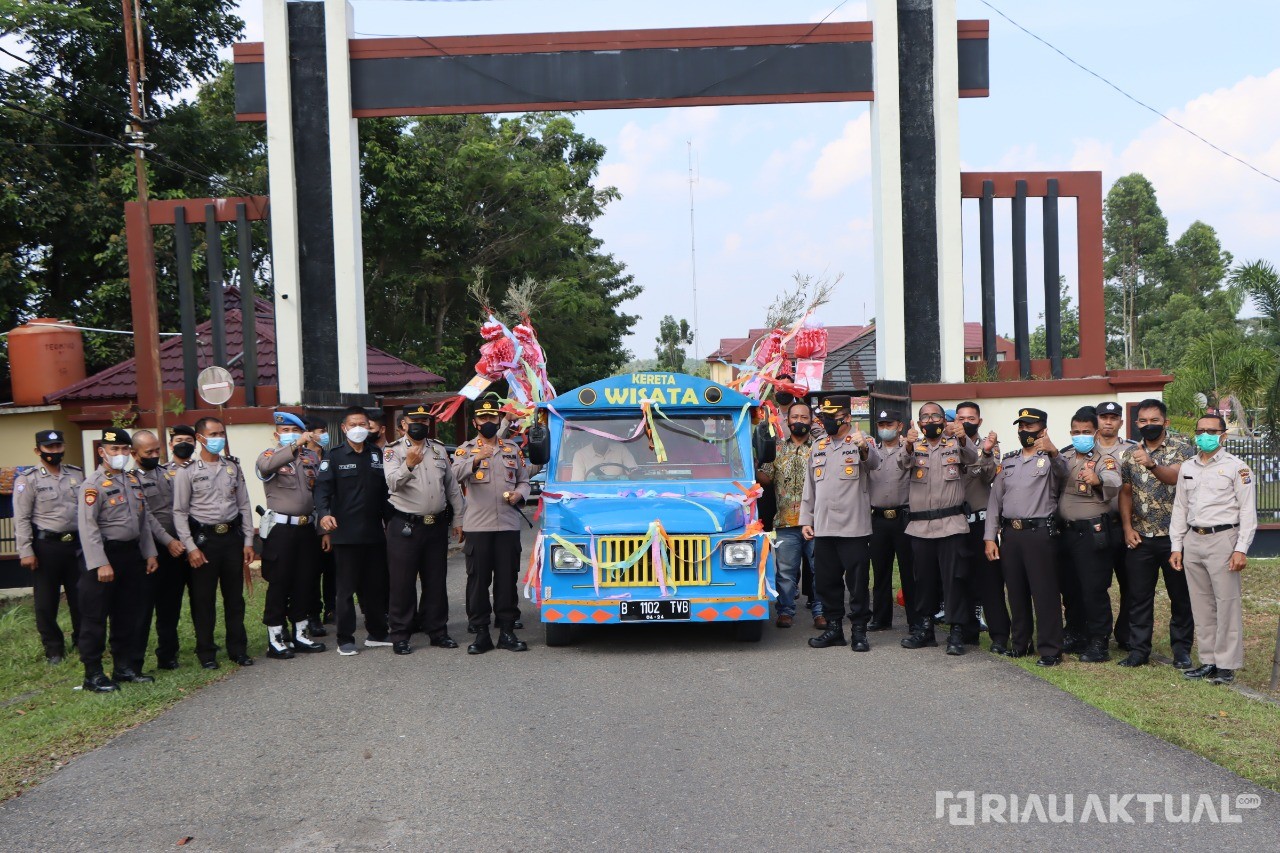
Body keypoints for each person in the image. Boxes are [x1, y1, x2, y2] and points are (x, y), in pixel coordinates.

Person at [1170, 414, 1257, 686]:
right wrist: (1177, 545)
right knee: (1201, 604)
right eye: (1200, 431)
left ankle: (1226, 665)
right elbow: (1180, 509)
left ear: (1223, 435)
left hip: (1224, 539)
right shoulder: (1187, 467)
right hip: (1194, 540)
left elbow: (1247, 511)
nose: (1204, 435)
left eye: (1211, 431)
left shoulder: (1237, 468)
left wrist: (1241, 548)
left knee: (1226, 604)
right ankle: (1208, 661)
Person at [899, 402, 986, 654]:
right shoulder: (914, 445)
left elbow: (972, 459)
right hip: (921, 526)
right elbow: (902, 466)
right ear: (919, 422)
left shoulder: (954, 443)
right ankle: (925, 629)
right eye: (924, 417)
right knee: (923, 580)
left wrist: (962, 438)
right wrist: (907, 444)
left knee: (954, 580)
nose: (930, 420)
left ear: (943, 419)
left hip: (951, 524)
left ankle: (957, 631)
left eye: (934, 415)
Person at [76, 429, 158, 692]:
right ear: (102, 452)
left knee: (127, 614)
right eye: (115, 450)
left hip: (130, 556)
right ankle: (93, 674)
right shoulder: (93, 485)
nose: (120, 455)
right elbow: (88, 527)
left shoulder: (133, 481)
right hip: (104, 556)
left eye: (125, 450)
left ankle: (123, 668)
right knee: (95, 617)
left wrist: (149, 552)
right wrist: (101, 562)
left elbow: (143, 523)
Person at [984, 407, 1067, 667]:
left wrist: (1052, 450)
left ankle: (1050, 649)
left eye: (1029, 426)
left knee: (1044, 593)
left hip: (1039, 533)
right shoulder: (1008, 461)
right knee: (1016, 592)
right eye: (1021, 426)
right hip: (1011, 535)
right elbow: (995, 502)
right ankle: (1021, 643)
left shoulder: (1053, 459)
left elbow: (1065, 473)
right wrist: (989, 537)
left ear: (1042, 429)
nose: (1024, 431)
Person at [1116, 399, 1195, 669]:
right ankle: (1138, 651)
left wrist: (1150, 464)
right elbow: (1126, 492)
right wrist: (1127, 528)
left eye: (1155, 421)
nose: (1148, 425)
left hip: (1176, 540)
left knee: (1181, 597)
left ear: (1166, 422)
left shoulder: (1183, 448)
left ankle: (1181, 650)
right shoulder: (1129, 454)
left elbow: (1174, 477)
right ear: (1136, 423)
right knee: (1139, 598)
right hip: (1141, 538)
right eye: (1143, 421)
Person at [173, 417, 255, 669]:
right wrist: (191, 547)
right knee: (204, 600)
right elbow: (179, 512)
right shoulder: (187, 472)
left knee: (234, 598)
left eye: (222, 433)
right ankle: (206, 653)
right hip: (204, 542)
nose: (219, 438)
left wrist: (248, 541)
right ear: (200, 438)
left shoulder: (232, 467)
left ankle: (238, 649)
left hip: (232, 539)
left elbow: (244, 504)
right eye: (214, 434)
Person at [452, 395, 532, 654]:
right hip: (478, 527)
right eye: (483, 417)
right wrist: (476, 459)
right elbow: (454, 476)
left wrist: (520, 494)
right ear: (475, 422)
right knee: (478, 581)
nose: (488, 421)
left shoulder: (511, 448)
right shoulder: (465, 450)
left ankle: (507, 632)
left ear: (499, 419)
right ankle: (481, 633)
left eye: (492, 417)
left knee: (507, 580)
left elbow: (524, 479)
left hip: (507, 525)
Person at [801, 395, 881, 651]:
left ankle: (859, 631)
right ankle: (834, 629)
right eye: (823, 416)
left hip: (853, 528)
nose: (825, 421)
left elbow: (874, 464)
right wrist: (806, 519)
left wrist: (864, 448)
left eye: (830, 417)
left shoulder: (861, 441)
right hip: (824, 527)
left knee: (857, 584)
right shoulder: (818, 446)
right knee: (826, 581)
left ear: (846, 417)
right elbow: (809, 487)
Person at [384, 402, 465, 655]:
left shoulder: (439, 450)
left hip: (435, 526)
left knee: (435, 580)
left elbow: (452, 487)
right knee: (402, 583)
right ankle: (400, 635)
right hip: (405, 526)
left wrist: (460, 519)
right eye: (415, 421)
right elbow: (392, 483)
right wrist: (408, 465)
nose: (421, 426)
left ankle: (438, 631)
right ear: (404, 424)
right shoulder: (393, 451)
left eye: (425, 421)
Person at [314, 407, 392, 656]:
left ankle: (377, 632)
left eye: (364, 424)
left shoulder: (376, 455)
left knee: (375, 586)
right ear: (345, 428)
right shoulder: (334, 456)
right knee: (345, 589)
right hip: (345, 534)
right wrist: (324, 514)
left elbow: (384, 494)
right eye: (353, 424)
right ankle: (345, 638)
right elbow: (322, 490)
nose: (359, 428)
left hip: (374, 533)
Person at [256, 412, 327, 660]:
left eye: (295, 431)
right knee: (279, 582)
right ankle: (275, 638)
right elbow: (264, 468)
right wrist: (294, 445)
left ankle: (300, 633)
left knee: (304, 582)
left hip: (307, 528)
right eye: (285, 431)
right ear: (277, 435)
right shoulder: (269, 456)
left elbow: (320, 494)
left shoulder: (310, 458)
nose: (290, 435)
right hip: (281, 530)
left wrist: (322, 530)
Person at [1056, 407, 1122, 663]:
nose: (1080, 435)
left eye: (1085, 431)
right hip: (1066, 532)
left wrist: (1097, 480)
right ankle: (1074, 632)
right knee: (1070, 587)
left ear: (1095, 432)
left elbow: (1115, 482)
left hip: (1093, 532)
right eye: (1076, 431)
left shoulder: (1105, 458)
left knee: (1093, 589)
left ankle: (1099, 641)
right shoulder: (1064, 456)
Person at [13, 429, 83, 665]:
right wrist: (26, 551)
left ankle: (82, 640)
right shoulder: (28, 479)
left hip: (75, 545)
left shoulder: (77, 474)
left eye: (58, 447)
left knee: (80, 597)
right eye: (49, 448)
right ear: (38, 450)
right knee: (46, 602)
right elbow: (21, 518)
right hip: (46, 547)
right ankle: (54, 649)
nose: (54, 451)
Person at [756, 400, 825, 629]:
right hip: (785, 521)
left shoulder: (821, 448)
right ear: (787, 421)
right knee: (786, 572)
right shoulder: (777, 448)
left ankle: (820, 612)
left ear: (812, 421)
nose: (798, 421)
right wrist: (751, 465)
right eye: (794, 417)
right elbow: (766, 479)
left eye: (804, 417)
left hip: (816, 521)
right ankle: (785, 611)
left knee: (819, 570)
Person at [130, 428, 190, 673]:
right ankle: (135, 662)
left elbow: (179, 510)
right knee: (142, 609)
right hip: (150, 551)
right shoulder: (131, 480)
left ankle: (168, 654)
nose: (155, 455)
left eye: (157, 450)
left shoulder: (169, 474)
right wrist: (168, 541)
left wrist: (179, 540)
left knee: (170, 606)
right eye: (149, 452)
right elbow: (147, 517)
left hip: (174, 550)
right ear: (135, 454)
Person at [954, 402, 1007, 653]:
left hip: (982, 522)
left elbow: (989, 477)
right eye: (961, 417)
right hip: (955, 522)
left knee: (990, 581)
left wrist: (985, 453)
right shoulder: (947, 444)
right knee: (961, 578)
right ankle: (968, 631)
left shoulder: (990, 447)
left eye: (971, 417)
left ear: (979, 421)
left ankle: (999, 635)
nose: (966, 421)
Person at [867, 408, 915, 633]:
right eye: (881, 425)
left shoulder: (908, 449)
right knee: (880, 571)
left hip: (903, 517)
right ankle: (881, 618)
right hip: (878, 519)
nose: (885, 429)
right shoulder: (871, 453)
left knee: (909, 572)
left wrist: (910, 445)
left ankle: (915, 620)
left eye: (889, 424)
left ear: (900, 426)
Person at [1094, 401, 1137, 651]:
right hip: (1097, 526)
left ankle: (1126, 633)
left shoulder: (1132, 450)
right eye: (1103, 417)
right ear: (1097, 420)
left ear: (1121, 421)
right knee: (1098, 584)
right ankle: (1099, 632)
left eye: (1113, 417)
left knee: (1131, 583)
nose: (1108, 422)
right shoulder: (1086, 451)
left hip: (1126, 526)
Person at [303, 415, 335, 634]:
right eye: (319, 430)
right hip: (308, 523)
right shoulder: (301, 458)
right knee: (311, 571)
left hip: (331, 521)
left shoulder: (331, 456)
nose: (323, 434)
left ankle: (332, 609)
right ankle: (313, 614)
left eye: (325, 430)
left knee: (332, 568)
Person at [571, 424, 637, 481]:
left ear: (609, 436)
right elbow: (578, 483)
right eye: (598, 434)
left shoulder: (621, 449)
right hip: (591, 493)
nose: (601, 437)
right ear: (592, 436)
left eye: (604, 434)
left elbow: (633, 473)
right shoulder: (580, 455)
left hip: (618, 492)